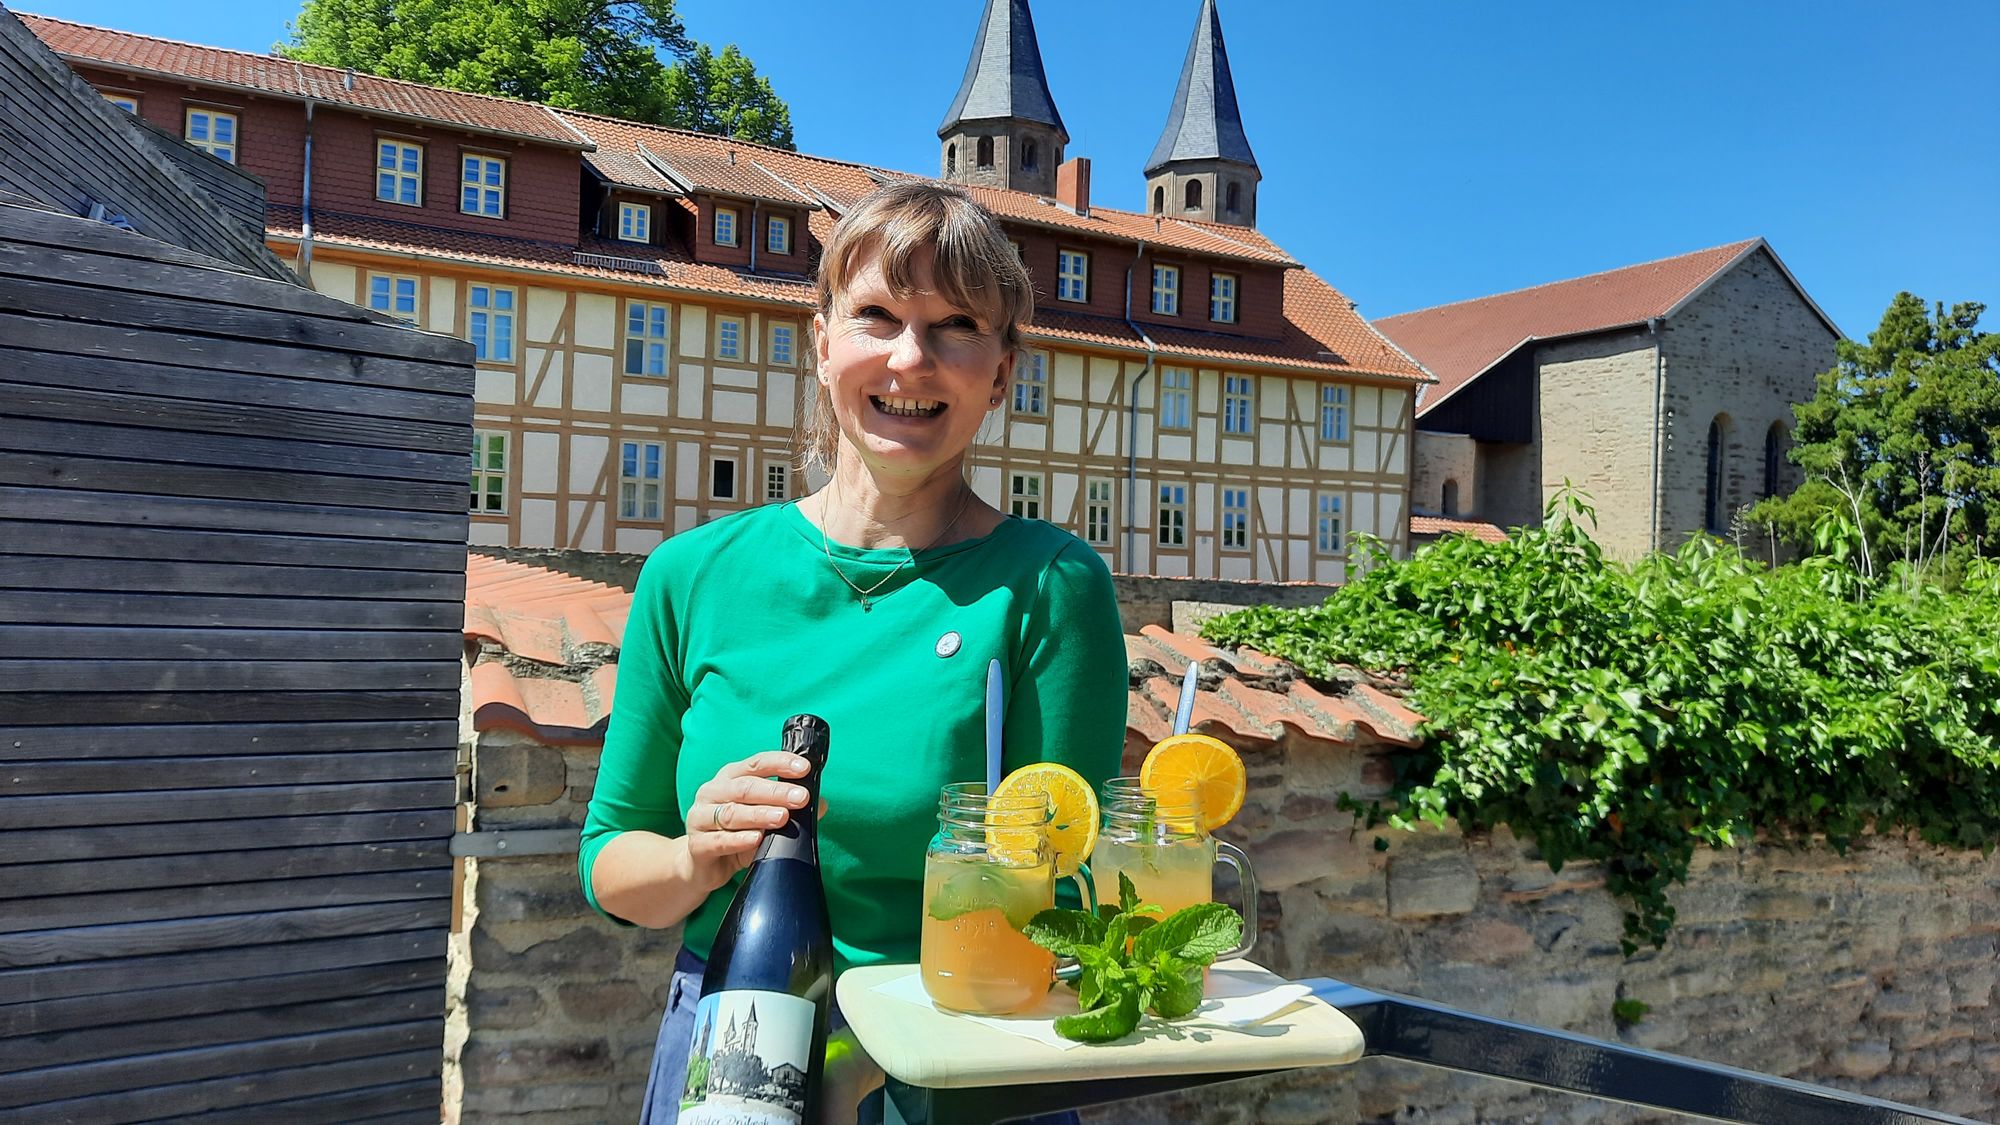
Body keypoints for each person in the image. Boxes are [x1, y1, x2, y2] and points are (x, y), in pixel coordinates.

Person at [579, 180, 1129, 1125]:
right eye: (877, 315)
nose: (911, 358)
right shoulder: (691, 576)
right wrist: (697, 858)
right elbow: (611, 863)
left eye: (957, 325)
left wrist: (867, 1058)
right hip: (733, 1052)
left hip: (955, 1068)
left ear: (1001, 373)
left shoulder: (1049, 586)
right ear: (822, 342)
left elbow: (1077, 897)